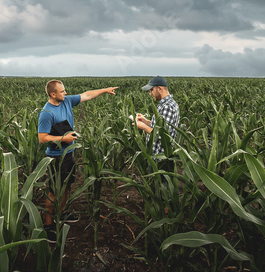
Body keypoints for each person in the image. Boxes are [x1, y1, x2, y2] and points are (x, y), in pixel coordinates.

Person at [38, 80, 118, 238]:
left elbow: (86, 95)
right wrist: (63, 139)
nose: (65, 93)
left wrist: (105, 90)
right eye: (62, 91)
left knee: (67, 184)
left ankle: (63, 213)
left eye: (64, 90)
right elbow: (42, 138)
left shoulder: (67, 101)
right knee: (54, 191)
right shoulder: (46, 113)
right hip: (55, 157)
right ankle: (48, 226)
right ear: (52, 94)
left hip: (69, 153)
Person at [135, 76, 180, 158]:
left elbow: (161, 135)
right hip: (157, 155)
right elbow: (161, 126)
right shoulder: (169, 103)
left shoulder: (167, 107)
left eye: (151, 90)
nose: (150, 93)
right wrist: (146, 121)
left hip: (160, 158)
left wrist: (143, 127)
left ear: (160, 89)